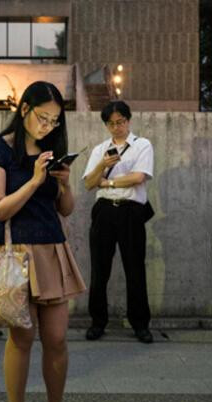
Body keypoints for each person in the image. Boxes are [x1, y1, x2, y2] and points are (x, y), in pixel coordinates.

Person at [0, 81, 86, 402]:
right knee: (22, 339)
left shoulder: (50, 150)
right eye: (43, 118)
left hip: (52, 248)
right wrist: (36, 180)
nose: (48, 126)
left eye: (55, 121)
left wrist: (63, 183)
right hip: (16, 251)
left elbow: (66, 208)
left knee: (56, 339)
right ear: (24, 109)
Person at [81, 101, 154, 343]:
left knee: (135, 269)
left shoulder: (142, 145)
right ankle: (97, 321)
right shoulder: (100, 149)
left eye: (120, 121)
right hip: (104, 211)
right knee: (99, 270)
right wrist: (103, 165)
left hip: (131, 211)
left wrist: (108, 181)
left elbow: (139, 177)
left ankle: (140, 323)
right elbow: (89, 182)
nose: (117, 127)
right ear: (106, 125)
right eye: (111, 123)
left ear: (128, 120)